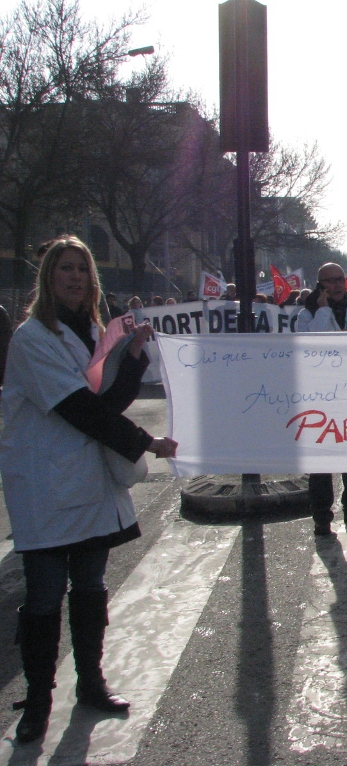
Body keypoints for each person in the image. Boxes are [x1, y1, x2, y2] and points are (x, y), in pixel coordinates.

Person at [0, 237, 177, 743]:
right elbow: (80, 410)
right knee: (45, 596)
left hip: (90, 483)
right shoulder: (32, 338)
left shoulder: (94, 331)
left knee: (92, 589)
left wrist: (136, 356)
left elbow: (110, 402)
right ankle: (37, 700)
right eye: (64, 269)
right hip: (48, 486)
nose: (75, 277)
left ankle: (91, 683)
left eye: (82, 268)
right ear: (48, 278)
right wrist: (149, 444)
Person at [297, 262, 347, 534]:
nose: (335, 285)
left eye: (339, 279)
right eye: (328, 281)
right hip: (321, 396)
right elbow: (309, 345)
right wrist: (322, 310)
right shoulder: (307, 315)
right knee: (321, 462)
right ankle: (322, 517)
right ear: (320, 285)